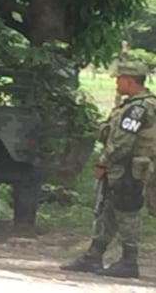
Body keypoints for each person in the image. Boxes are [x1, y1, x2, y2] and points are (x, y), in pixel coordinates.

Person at [61, 57, 156, 279]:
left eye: (119, 79)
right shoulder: (132, 105)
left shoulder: (138, 109)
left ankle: (129, 261)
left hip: (127, 168)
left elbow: (123, 143)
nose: (116, 83)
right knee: (108, 211)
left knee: (127, 211)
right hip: (122, 168)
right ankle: (94, 256)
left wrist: (104, 161)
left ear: (131, 81)